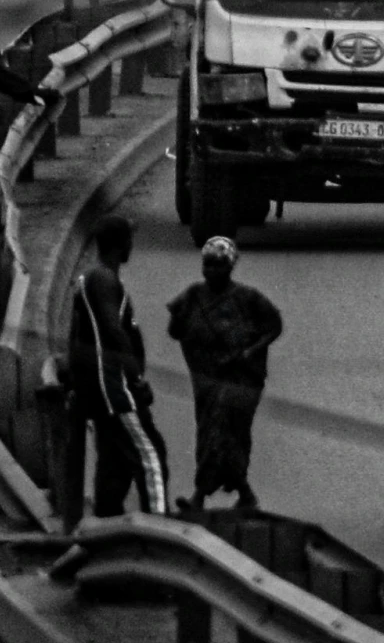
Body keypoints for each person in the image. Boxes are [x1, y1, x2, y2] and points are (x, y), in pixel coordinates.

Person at [165, 236, 283, 514]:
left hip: (241, 380)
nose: (211, 272)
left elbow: (274, 326)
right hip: (207, 379)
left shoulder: (248, 298)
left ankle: (201, 496)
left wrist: (250, 352)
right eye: (207, 265)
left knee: (228, 433)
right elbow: (174, 331)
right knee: (210, 432)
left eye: (218, 266)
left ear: (230, 267)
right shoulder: (192, 296)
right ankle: (243, 494)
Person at [64, 215, 169, 525]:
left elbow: (76, 335)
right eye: (129, 241)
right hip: (115, 388)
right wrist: (135, 377)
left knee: (114, 463)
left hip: (100, 389)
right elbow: (112, 329)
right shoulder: (104, 279)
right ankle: (161, 531)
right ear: (122, 244)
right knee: (151, 457)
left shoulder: (91, 279)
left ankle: (106, 526)